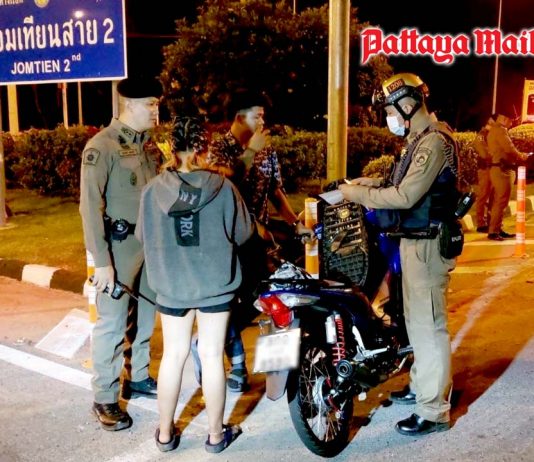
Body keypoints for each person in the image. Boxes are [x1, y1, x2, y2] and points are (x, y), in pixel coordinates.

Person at [339, 73, 460, 436]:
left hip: (428, 245)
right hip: (412, 242)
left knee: (429, 326)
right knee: (417, 323)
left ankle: (433, 410)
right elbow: (399, 183)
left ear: (408, 105)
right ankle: (422, 387)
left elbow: (405, 196)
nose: (389, 117)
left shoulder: (433, 142)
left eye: (391, 110)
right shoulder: (418, 140)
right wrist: (367, 184)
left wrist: (355, 195)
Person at [136, 116, 253, 453]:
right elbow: (244, 233)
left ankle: (165, 434)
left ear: (171, 148)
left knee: (173, 355)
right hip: (215, 283)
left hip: (171, 285)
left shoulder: (152, 191)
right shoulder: (223, 188)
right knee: (212, 355)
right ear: (205, 147)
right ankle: (215, 436)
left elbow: (143, 236)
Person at [204, 91, 312, 392]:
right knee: (230, 300)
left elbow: (275, 191)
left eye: (263, 116)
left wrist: (295, 224)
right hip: (228, 242)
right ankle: (234, 363)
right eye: (257, 116)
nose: (263, 122)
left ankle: (224, 347)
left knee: (267, 296)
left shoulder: (267, 149)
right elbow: (224, 187)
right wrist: (250, 152)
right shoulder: (218, 149)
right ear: (240, 118)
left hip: (258, 240)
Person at [79, 77, 162, 431]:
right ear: (129, 105)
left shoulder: (149, 148)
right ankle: (105, 397)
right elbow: (89, 207)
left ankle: (138, 376)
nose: (156, 110)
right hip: (119, 248)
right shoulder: (103, 146)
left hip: (149, 246)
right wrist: (102, 262)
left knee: (145, 316)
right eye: (150, 104)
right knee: (112, 323)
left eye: (157, 103)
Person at [486, 114, 530, 241]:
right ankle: (494, 231)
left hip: (498, 168)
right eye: (510, 120)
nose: (511, 123)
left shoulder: (494, 130)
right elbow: (509, 148)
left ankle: (496, 229)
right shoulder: (500, 130)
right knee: (501, 201)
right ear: (504, 119)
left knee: (499, 201)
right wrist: (521, 156)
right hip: (502, 170)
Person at [472, 116, 495, 233]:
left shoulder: (491, 135)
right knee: (483, 196)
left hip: (493, 169)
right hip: (485, 169)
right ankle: (481, 223)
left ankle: (490, 222)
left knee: (492, 197)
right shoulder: (481, 136)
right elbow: (484, 153)